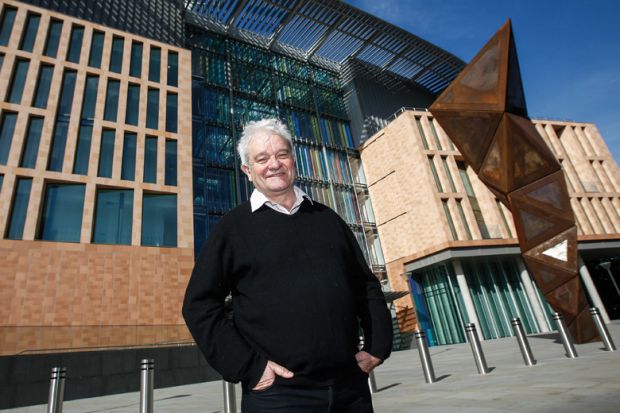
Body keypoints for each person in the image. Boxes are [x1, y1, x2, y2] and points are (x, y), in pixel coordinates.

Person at [182, 118, 392, 412]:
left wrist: (377, 345)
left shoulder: (327, 219)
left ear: (293, 159)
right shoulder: (232, 228)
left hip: (350, 389)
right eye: (262, 158)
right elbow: (199, 304)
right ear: (247, 170)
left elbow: (365, 285)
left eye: (282, 154)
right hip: (279, 397)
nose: (274, 164)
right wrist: (248, 367)